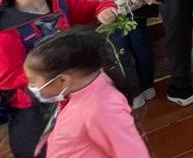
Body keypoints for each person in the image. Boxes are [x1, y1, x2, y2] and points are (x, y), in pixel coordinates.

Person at [0, 0, 118, 158]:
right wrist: (55, 77)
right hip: (37, 110)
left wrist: (105, 10)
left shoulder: (60, 2)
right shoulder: (6, 33)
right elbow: (8, 80)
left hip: (75, 96)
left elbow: (96, 6)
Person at [23, 27, 150, 158]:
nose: (31, 86)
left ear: (62, 80)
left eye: (33, 81)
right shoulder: (77, 89)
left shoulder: (101, 109)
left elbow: (133, 153)